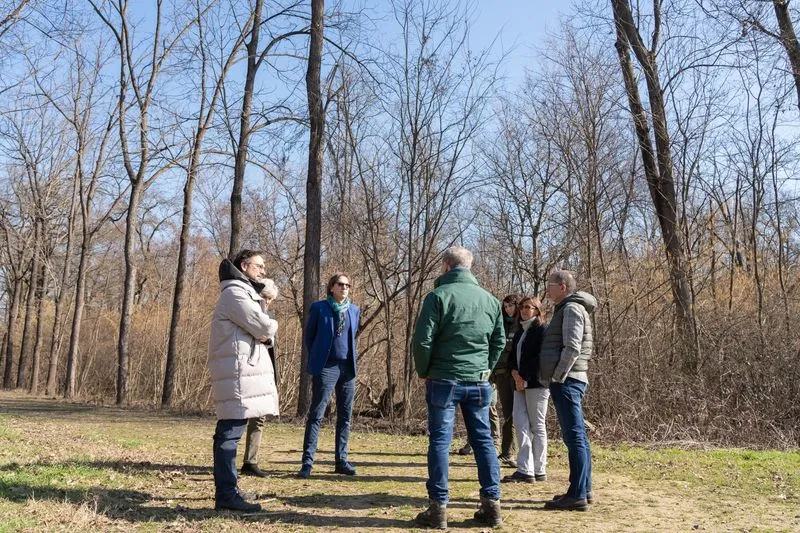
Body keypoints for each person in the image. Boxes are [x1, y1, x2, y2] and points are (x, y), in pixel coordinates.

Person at [412, 246, 505, 529]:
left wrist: (425, 370)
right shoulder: (490, 301)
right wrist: (485, 368)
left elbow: (422, 341)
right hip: (478, 380)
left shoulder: (438, 296)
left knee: (440, 442)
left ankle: (438, 509)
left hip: (443, 379)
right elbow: (499, 341)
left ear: (445, 267)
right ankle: (492, 507)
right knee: (484, 441)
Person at [208, 250, 279, 512]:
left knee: (231, 431)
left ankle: (229, 489)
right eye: (259, 266)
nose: (263, 271)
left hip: (240, 372)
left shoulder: (244, 291)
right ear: (244, 265)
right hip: (237, 374)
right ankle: (226, 495)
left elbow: (258, 328)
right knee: (229, 433)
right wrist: (270, 327)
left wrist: (264, 325)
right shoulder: (235, 293)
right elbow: (263, 328)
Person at [539, 270, 596, 512]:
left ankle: (577, 494)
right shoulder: (568, 308)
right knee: (577, 437)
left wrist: (557, 376)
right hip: (569, 379)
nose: (547, 289)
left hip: (568, 380)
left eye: (550, 285)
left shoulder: (571, 309)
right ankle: (583, 489)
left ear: (562, 287)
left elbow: (572, 348)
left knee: (574, 438)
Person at [297, 272, 360, 479]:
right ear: (332, 287)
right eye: (340, 284)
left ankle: (341, 461)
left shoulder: (354, 310)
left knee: (345, 416)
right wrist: (318, 358)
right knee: (316, 415)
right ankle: (307, 463)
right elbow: (310, 337)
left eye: (348, 285)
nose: (345, 288)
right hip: (326, 367)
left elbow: (353, 337)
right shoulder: (319, 308)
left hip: (347, 368)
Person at [458, 294, 519, 467]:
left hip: (514, 373)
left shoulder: (520, 325)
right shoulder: (499, 323)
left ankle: (509, 451)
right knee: (487, 408)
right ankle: (482, 445)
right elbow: (494, 346)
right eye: (506, 306)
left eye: (511, 306)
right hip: (495, 372)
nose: (508, 309)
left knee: (512, 415)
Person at [503, 296, 549, 483]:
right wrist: (515, 374)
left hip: (537, 383)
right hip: (518, 383)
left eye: (528, 307)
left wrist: (525, 378)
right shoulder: (520, 331)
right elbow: (513, 357)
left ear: (537, 310)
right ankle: (525, 469)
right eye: (521, 307)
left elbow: (541, 358)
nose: (523, 310)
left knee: (537, 426)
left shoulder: (542, 330)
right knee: (521, 424)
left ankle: (539, 469)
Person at [240, 278, 280, 478]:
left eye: (271, 299)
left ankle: (250, 461)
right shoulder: (247, 311)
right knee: (238, 418)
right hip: (246, 371)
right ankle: (227, 461)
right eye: (265, 297)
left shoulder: (269, 316)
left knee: (259, 418)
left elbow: (269, 342)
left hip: (265, 373)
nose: (267, 302)